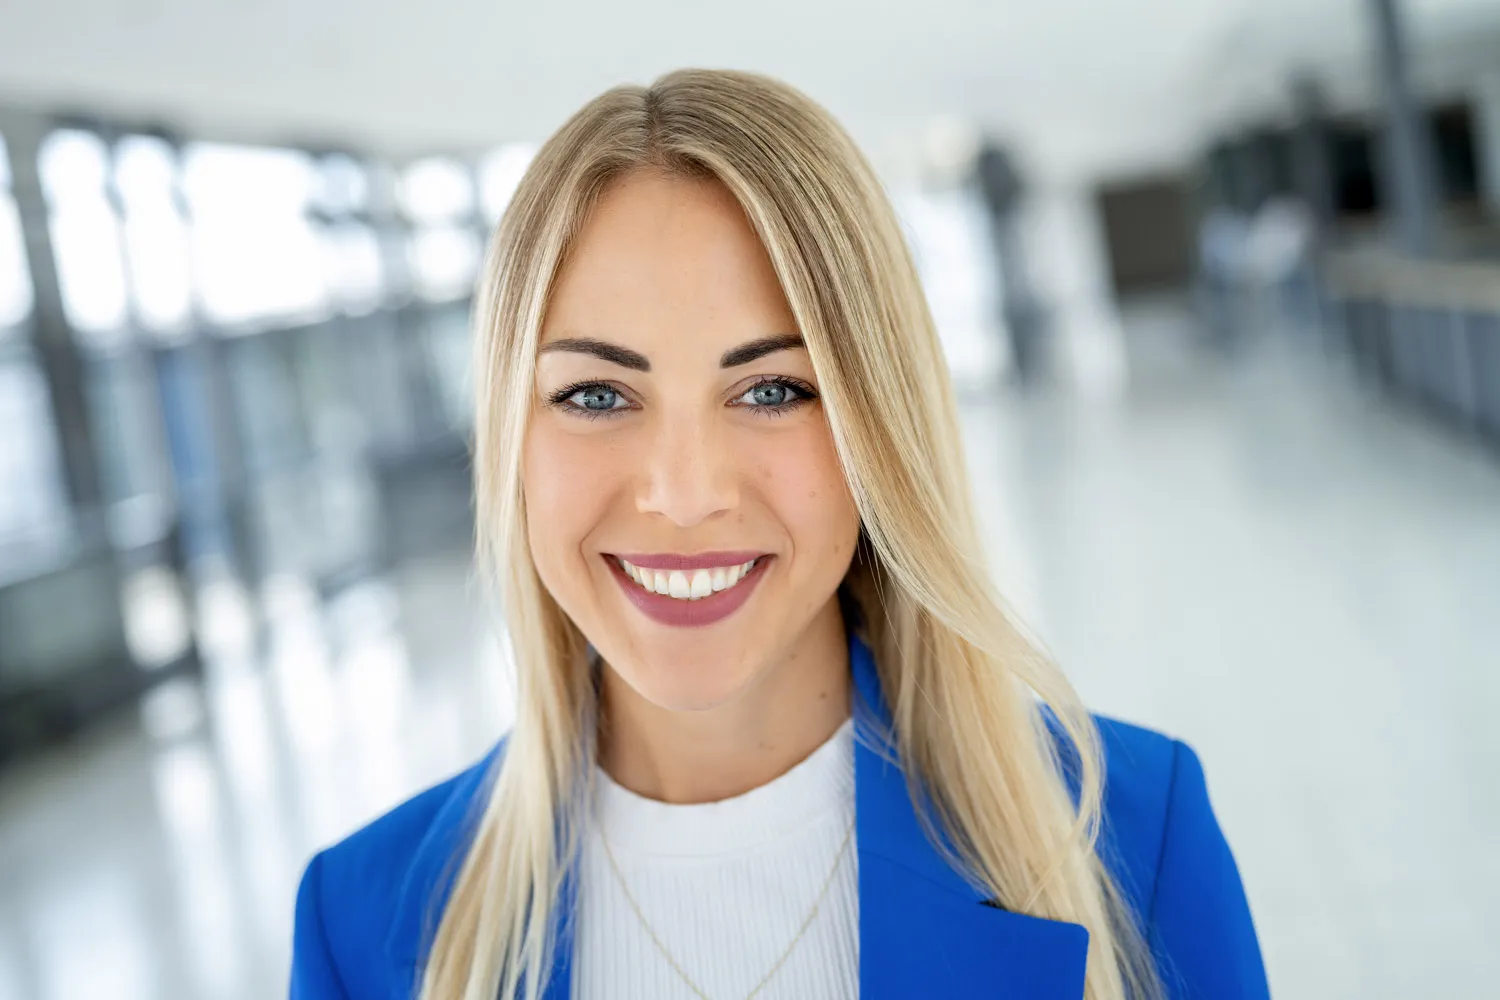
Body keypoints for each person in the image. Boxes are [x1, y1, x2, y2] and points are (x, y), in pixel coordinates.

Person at [290, 69, 1269, 1000]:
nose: (682, 494)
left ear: (877, 428)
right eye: (596, 393)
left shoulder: (1133, 838)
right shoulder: (364, 925)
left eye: (773, 389)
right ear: (508, 438)